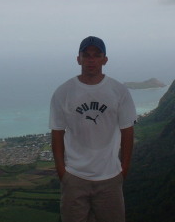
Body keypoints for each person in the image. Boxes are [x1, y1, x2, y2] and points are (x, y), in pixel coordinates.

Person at [50, 36, 137, 222]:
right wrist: (62, 172)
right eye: (86, 55)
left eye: (97, 55)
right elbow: (57, 132)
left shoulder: (118, 91)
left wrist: (124, 169)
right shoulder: (64, 92)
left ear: (105, 59)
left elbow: (127, 131)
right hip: (74, 176)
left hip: (110, 177)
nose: (91, 59)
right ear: (78, 59)